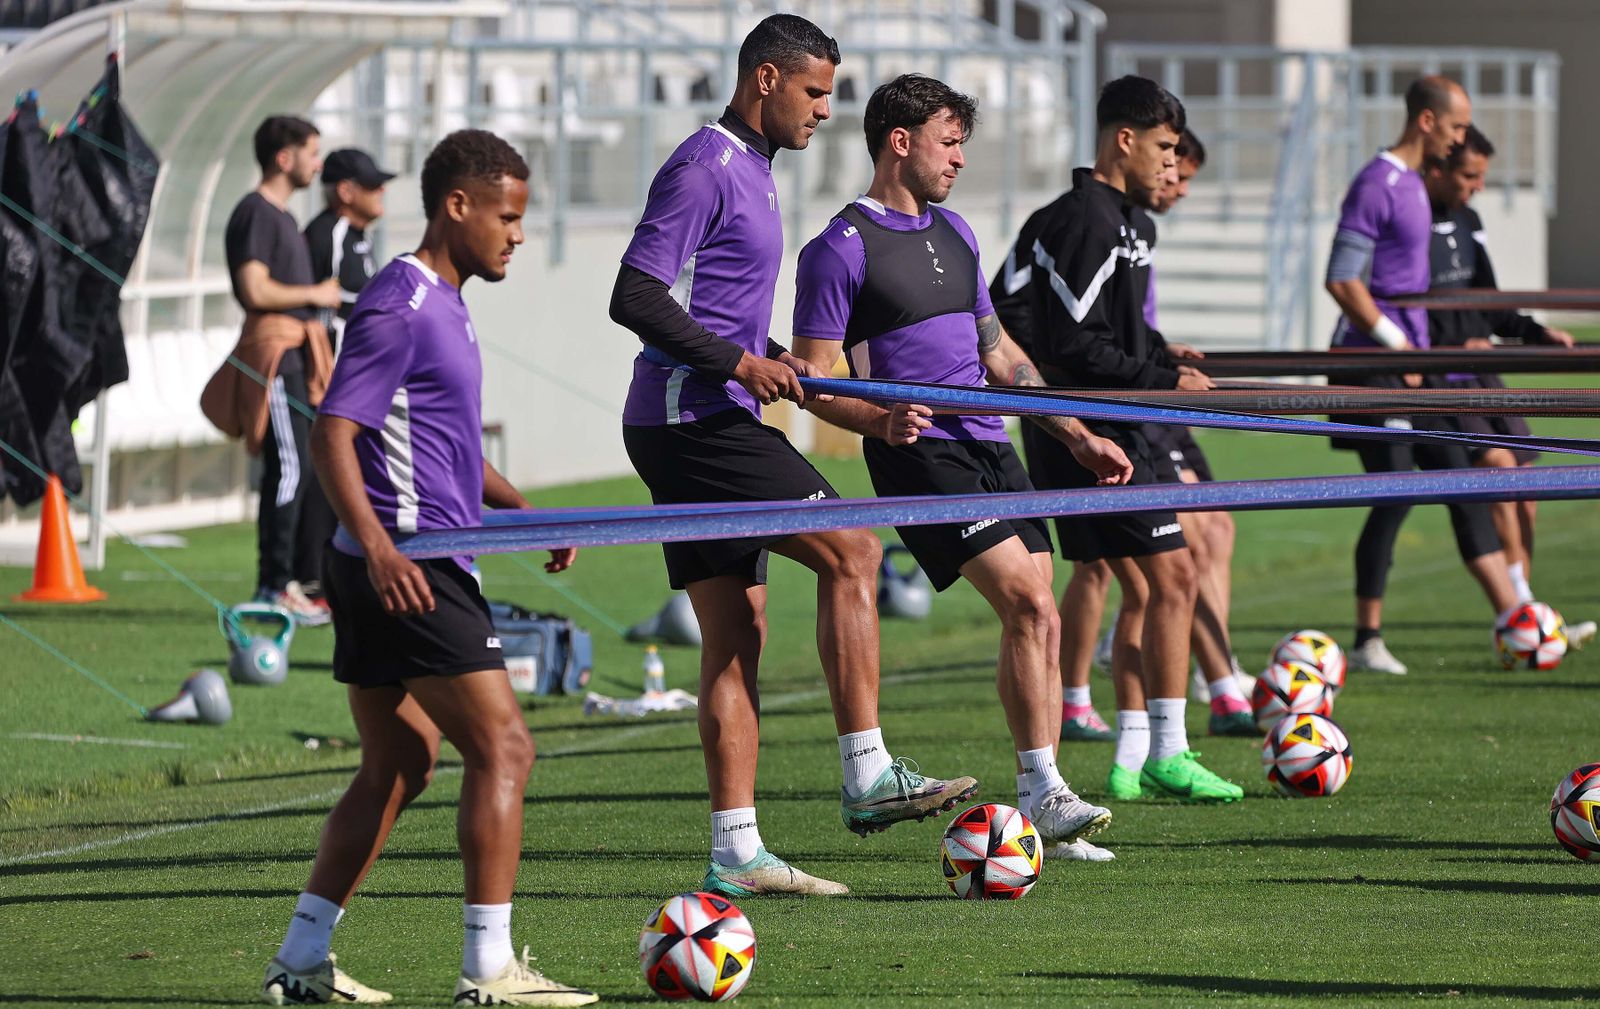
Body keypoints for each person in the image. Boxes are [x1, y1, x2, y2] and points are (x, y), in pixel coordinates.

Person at [609, 15, 976, 899]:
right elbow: (633, 292)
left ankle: (736, 848)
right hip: (691, 419)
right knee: (853, 546)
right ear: (765, 81)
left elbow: (722, 312)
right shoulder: (705, 166)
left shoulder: (756, 170)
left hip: (703, 411)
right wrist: (740, 364)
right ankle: (866, 772)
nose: (823, 111)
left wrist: (774, 361)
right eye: (815, 93)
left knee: (738, 636)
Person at [261, 129, 596, 1007]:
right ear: (458, 205)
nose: (518, 235)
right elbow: (339, 430)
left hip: (399, 560)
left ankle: (301, 959)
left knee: (400, 762)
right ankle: (488, 967)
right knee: (506, 746)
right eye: (508, 216)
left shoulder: (447, 302)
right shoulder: (398, 302)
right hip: (408, 565)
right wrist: (379, 548)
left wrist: (516, 506)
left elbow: (439, 442)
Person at [790, 74, 1132, 862]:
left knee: (1036, 609)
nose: (960, 160)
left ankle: (1041, 790)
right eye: (950, 142)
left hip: (992, 445)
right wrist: (879, 418)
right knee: (1030, 603)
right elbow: (813, 376)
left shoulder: (957, 233)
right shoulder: (838, 248)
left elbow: (1001, 353)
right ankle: (1044, 791)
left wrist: (1076, 436)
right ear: (899, 141)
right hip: (921, 455)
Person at [1006, 76, 1243, 804]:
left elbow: (1089, 325)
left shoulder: (1127, 222)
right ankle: (1158, 748)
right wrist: (1164, 376)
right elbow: (1074, 345)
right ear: (1124, 140)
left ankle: (1137, 753)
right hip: (1090, 430)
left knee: (1147, 582)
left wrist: (1165, 353)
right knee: (1168, 576)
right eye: (1166, 149)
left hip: (1107, 422)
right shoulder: (1087, 219)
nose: (1172, 165)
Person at [1324, 76, 1529, 676]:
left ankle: (1519, 621)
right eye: (1458, 126)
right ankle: (1366, 640)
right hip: (1372, 369)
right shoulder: (1377, 182)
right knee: (1394, 491)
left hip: (1413, 369)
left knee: (1464, 483)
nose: (1463, 138)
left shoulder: (1417, 187)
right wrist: (1397, 346)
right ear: (1427, 122)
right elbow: (1342, 279)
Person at [1419, 126, 1595, 647]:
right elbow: (1398, 307)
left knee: (1528, 482)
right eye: (1469, 176)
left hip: (1483, 371)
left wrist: (1536, 331)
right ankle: (1523, 614)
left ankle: (1527, 607)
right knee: (1496, 468)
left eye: (1481, 177)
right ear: (1439, 169)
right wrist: (1447, 352)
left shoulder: (1469, 220)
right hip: (1438, 379)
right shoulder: (1409, 223)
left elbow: (1489, 300)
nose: (1476, 187)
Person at [222, 116, 342, 626]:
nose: (319, 163)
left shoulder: (285, 218)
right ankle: (275, 584)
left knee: (300, 467)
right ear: (283, 157)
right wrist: (315, 294)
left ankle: (284, 581)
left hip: (298, 359)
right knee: (290, 469)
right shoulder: (256, 213)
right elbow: (255, 289)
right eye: (312, 153)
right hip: (277, 359)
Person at [299, 148, 397, 610]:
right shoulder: (330, 233)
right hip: (338, 372)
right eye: (373, 183)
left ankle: (334, 573)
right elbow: (327, 308)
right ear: (345, 191)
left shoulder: (360, 235)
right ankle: (311, 579)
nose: (382, 192)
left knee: (352, 470)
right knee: (325, 470)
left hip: (363, 372)